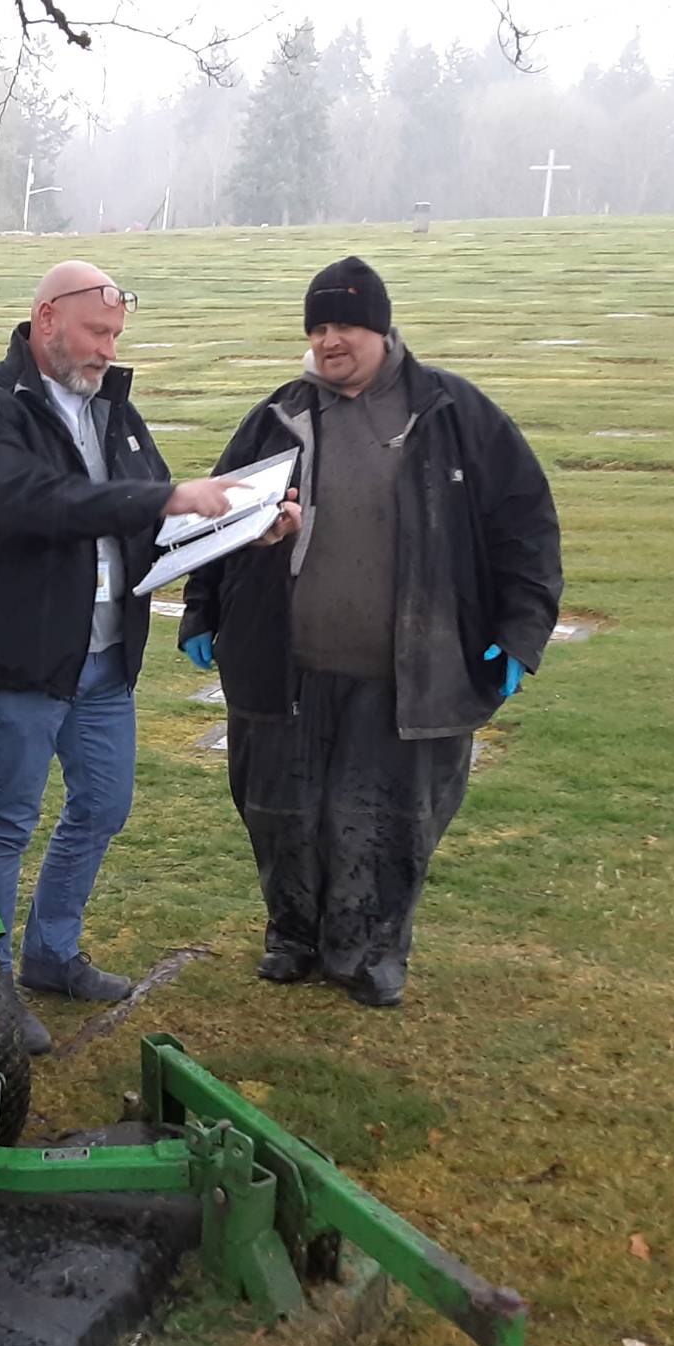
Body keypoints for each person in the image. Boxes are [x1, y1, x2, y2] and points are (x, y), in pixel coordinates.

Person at [180, 256, 562, 1008]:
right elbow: (217, 519)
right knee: (279, 810)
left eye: (346, 324)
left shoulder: (454, 414)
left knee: (386, 818)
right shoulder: (278, 416)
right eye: (319, 326)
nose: (331, 340)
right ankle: (292, 935)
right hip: (285, 669)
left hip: (407, 673)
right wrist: (203, 609)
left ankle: (371, 951)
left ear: (383, 328)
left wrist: (520, 637)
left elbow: (526, 528)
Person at [0, 260, 236, 1054]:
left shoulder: (116, 413)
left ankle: (51, 953)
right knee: (7, 821)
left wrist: (237, 529)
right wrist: (163, 500)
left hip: (107, 659)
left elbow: (156, 514)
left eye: (116, 336)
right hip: (24, 657)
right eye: (97, 333)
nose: (108, 349)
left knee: (103, 805)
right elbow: (31, 503)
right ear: (46, 320)